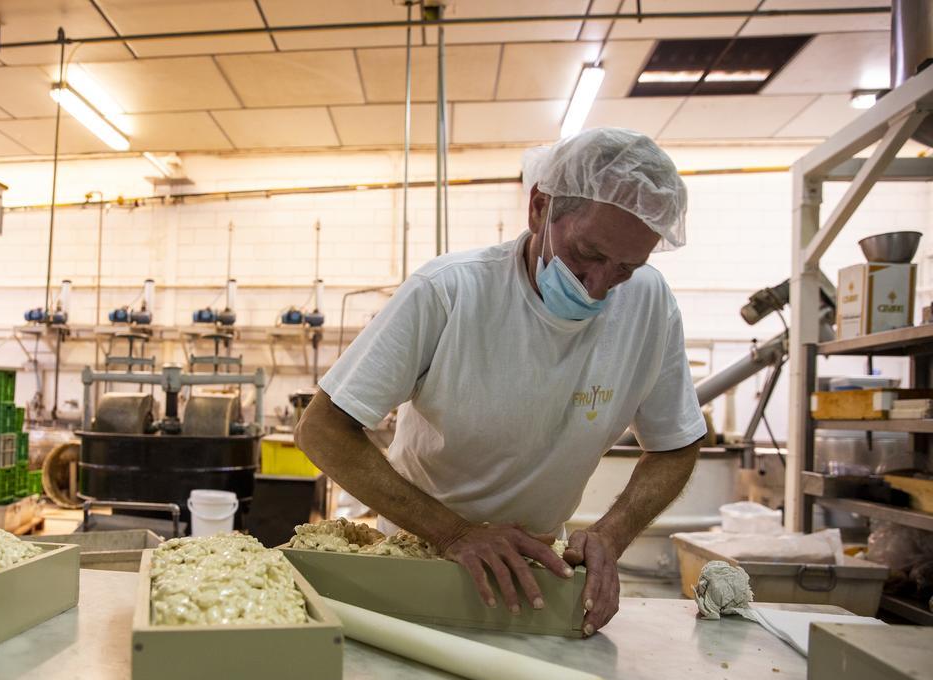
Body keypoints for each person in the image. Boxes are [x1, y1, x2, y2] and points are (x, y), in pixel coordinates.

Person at [295, 127, 705, 636]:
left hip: (534, 567)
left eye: (625, 267)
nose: (598, 287)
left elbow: (676, 445)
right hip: (417, 555)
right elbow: (322, 429)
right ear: (540, 209)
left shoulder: (648, 304)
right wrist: (454, 534)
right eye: (588, 254)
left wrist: (612, 532)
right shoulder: (449, 292)